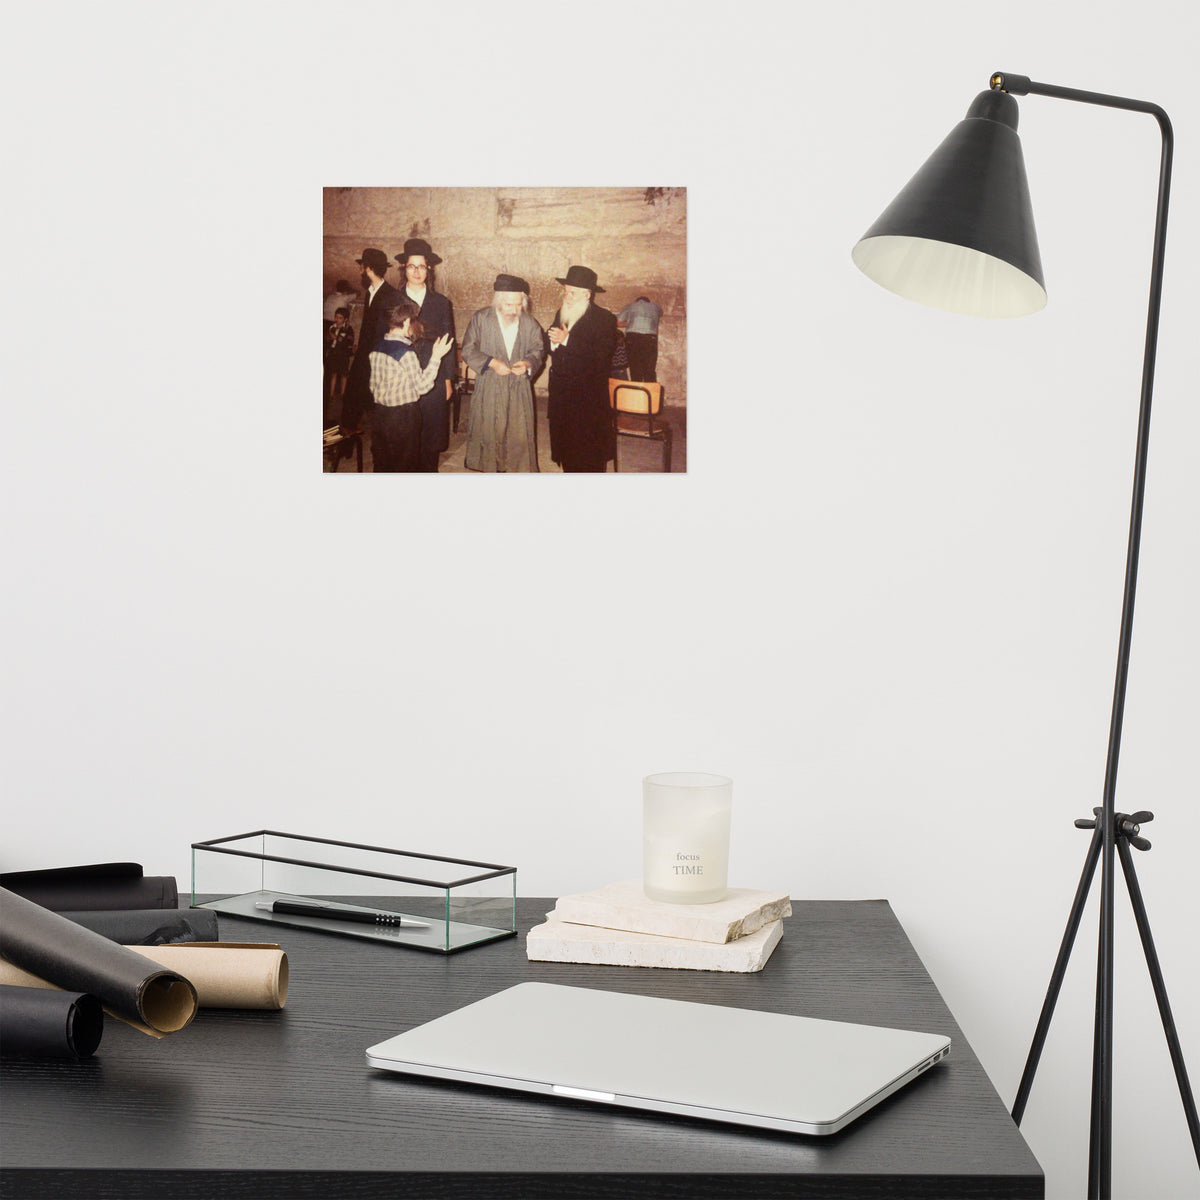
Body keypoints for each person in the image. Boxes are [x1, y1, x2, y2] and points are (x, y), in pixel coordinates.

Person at [461, 275, 546, 472]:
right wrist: (490, 362)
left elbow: (538, 350)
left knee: (517, 434)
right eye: (508, 305)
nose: (513, 310)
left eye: (518, 305)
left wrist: (527, 363)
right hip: (490, 385)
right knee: (489, 431)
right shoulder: (481, 318)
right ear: (498, 301)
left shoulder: (529, 323)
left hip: (518, 386)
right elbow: (468, 349)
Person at [367, 300, 454, 472]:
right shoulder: (406, 353)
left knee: (382, 460)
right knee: (405, 462)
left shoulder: (376, 348)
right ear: (406, 322)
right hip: (403, 417)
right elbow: (422, 387)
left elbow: (373, 385)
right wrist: (436, 357)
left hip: (380, 415)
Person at [547, 265, 618, 472]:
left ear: (587, 294)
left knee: (587, 454)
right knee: (566, 450)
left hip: (587, 398)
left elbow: (602, 356)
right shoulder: (562, 312)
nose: (567, 296)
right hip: (562, 395)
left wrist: (567, 340)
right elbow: (552, 340)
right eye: (566, 291)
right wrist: (552, 341)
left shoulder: (604, 318)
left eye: (572, 292)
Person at [394, 239, 455, 472]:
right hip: (402, 376)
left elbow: (448, 341)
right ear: (404, 269)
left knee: (430, 434)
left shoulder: (441, 303)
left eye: (421, 266)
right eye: (411, 266)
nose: (417, 271)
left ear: (429, 269)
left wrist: (448, 380)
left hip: (434, 374)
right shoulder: (393, 300)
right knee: (404, 433)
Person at [341, 248, 401, 435]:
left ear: (369, 268)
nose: (360, 271)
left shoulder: (390, 294)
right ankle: (344, 443)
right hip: (365, 354)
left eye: (362, 267)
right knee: (351, 398)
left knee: (375, 405)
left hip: (379, 357)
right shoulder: (370, 292)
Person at [617, 295, 663, 382]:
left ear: (637, 301)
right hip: (650, 338)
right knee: (650, 370)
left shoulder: (630, 306)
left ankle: (637, 393)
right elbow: (660, 314)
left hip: (633, 338)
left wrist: (631, 323)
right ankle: (651, 393)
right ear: (648, 302)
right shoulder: (656, 306)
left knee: (635, 369)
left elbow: (618, 322)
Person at [323, 307, 355, 426]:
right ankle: (331, 394)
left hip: (343, 354)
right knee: (332, 373)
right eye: (336, 317)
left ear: (345, 319)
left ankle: (342, 394)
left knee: (343, 374)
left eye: (340, 318)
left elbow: (342, 340)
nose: (337, 319)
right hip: (333, 353)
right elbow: (328, 341)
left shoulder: (348, 329)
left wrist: (332, 334)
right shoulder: (332, 327)